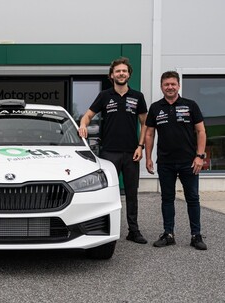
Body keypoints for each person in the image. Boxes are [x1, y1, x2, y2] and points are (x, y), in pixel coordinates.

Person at [79, 57, 148, 244]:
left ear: (129, 74)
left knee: (132, 193)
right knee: (108, 192)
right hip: (109, 153)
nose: (121, 74)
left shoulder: (137, 97)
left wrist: (140, 147)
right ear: (112, 75)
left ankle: (133, 231)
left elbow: (145, 124)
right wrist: (83, 125)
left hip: (131, 152)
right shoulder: (104, 96)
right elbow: (87, 116)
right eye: (118, 71)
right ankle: (105, 229)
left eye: (124, 71)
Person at [145, 71, 207, 250]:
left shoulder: (190, 105)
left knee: (193, 198)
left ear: (178, 86)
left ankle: (196, 235)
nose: (170, 87)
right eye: (166, 84)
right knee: (167, 198)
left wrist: (200, 156)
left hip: (189, 162)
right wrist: (148, 158)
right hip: (165, 162)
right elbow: (149, 133)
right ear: (161, 87)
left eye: (173, 84)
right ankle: (168, 234)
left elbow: (201, 131)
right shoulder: (156, 108)